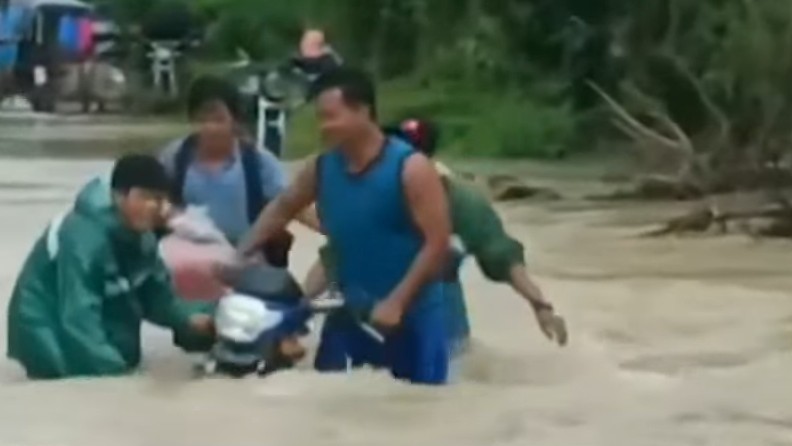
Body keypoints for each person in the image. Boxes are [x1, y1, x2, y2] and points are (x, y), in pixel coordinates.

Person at [238, 67, 452, 385]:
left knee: (419, 417)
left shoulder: (412, 169)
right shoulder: (322, 168)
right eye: (319, 118)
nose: (323, 127)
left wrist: (397, 302)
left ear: (363, 111)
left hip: (412, 318)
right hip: (350, 314)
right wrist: (238, 255)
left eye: (330, 116)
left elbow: (438, 244)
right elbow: (283, 208)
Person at [306, 118, 568, 358]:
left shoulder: (461, 202)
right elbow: (334, 256)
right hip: (369, 308)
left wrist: (540, 305)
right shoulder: (367, 196)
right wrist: (296, 310)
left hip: (438, 310)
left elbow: (502, 256)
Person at [6, 154, 214, 379]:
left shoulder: (142, 237)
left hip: (98, 311)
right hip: (45, 322)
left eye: (160, 199)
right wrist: (118, 378)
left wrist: (189, 320)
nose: (155, 207)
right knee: (81, 375)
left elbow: (156, 295)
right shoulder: (84, 237)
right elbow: (79, 316)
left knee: (126, 354)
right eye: (146, 197)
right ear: (119, 195)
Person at [158, 75, 320, 267]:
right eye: (202, 120)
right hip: (187, 262)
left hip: (246, 262)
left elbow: (290, 205)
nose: (210, 128)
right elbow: (153, 201)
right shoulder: (174, 157)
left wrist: (337, 232)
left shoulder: (258, 162)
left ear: (234, 121)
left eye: (218, 120)